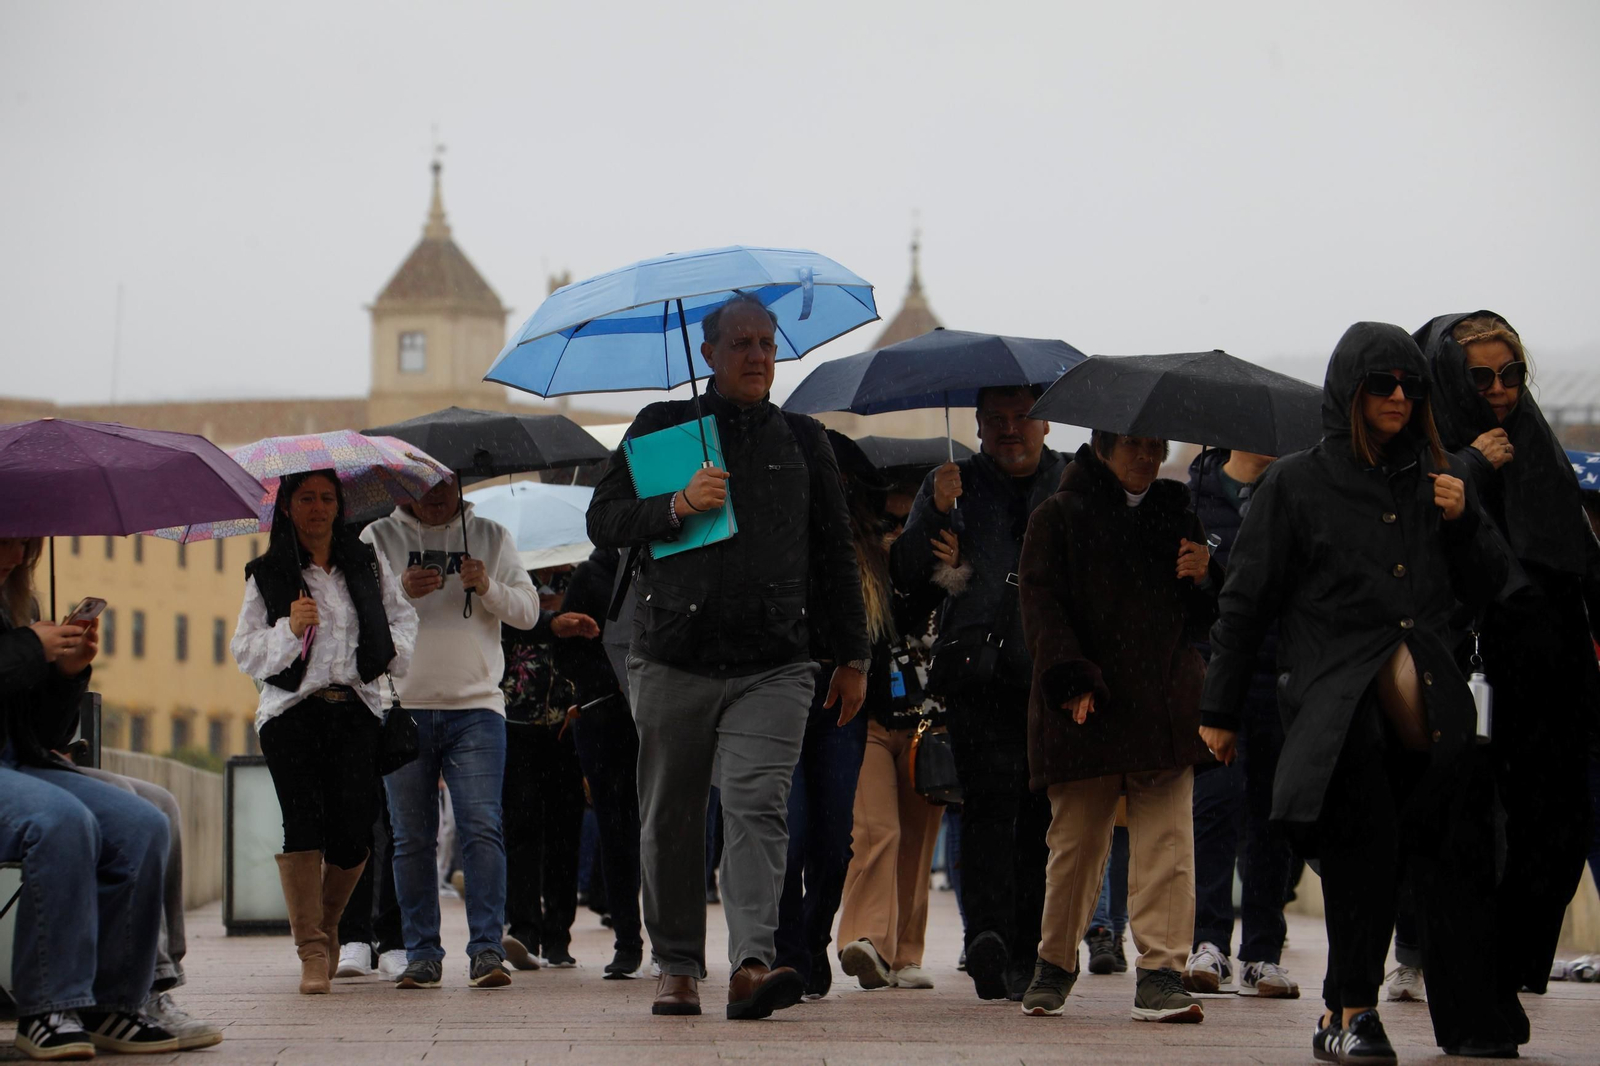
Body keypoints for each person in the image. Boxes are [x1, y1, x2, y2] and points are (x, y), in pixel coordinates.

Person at [1199, 322, 1511, 1062]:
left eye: (1411, 385)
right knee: (1362, 853)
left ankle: (1474, 1019)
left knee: (1458, 849)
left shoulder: (1437, 478)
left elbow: (1496, 588)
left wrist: (1464, 522)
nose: (1399, 397)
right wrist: (1218, 710)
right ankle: (1348, 1013)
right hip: (1336, 712)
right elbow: (1245, 602)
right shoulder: (1297, 483)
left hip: (1430, 710)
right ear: (1350, 390)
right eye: (1382, 384)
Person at [587, 292, 870, 1020]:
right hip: (673, 655)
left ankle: (751, 964)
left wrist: (852, 655)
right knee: (673, 817)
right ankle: (678, 966)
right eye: (741, 344)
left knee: (757, 807)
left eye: (767, 345)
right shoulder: (662, 427)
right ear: (708, 353)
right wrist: (678, 503)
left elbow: (835, 553)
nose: (757, 357)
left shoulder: (805, 439)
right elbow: (605, 519)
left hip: (775, 661)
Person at [1418, 311, 1600, 1045]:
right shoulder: (1428, 451)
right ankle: (1474, 1004)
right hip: (1468, 673)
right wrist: (1467, 465)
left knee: (1555, 835)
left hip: (1547, 675)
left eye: (1511, 374)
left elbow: (1573, 558)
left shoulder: (1537, 445)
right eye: (1481, 378)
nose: (1499, 392)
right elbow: (1429, 558)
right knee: (1469, 846)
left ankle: (1504, 977)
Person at [1016, 433, 1218, 1023]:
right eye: (1134, 445)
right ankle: (1054, 963)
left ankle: (1161, 973)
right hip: (1089, 706)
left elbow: (1207, 614)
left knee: (1169, 845)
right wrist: (1071, 679)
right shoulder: (1057, 516)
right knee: (1075, 843)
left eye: (1157, 446)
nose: (1148, 458)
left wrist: (1207, 575)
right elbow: (1041, 607)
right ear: (1103, 446)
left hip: (1163, 704)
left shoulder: (1179, 513)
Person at [890, 385, 1066, 1001]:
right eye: (997, 421)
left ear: (1044, 424)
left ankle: (1028, 947)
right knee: (989, 809)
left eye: (1022, 419)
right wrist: (936, 517)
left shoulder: (1071, 484)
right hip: (976, 671)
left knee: (1042, 817)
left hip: (1053, 675)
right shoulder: (952, 483)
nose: (1011, 431)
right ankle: (987, 936)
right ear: (979, 426)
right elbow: (907, 582)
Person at [232, 470, 418, 995]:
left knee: (355, 831)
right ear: (287, 507)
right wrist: (288, 630)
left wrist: (389, 654)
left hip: (356, 708)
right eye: (306, 498)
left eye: (327, 498)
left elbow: (402, 619)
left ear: (340, 506)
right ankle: (312, 950)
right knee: (303, 825)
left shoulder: (365, 561)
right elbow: (245, 652)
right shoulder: (267, 573)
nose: (318, 508)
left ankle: (329, 926)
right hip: (291, 712)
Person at [1, 536, 184, 1058]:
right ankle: (46, 1008)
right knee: (60, 820)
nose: (14, 558)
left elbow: (46, 732)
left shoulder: (19, 608)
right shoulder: (23, 630)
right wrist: (26, 650)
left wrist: (67, 672)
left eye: (24, 547)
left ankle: (112, 1004)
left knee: (143, 823)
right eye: (4, 542)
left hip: (22, 765)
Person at [360, 477, 540, 989]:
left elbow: (527, 613)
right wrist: (399, 588)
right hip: (403, 706)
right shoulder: (377, 537)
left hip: (477, 707)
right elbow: (351, 616)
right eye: (424, 483)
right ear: (404, 488)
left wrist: (487, 586)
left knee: (482, 828)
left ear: (461, 482)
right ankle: (422, 953)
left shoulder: (492, 535)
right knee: (410, 838)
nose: (436, 492)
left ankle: (486, 949)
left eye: (445, 482)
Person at [1182, 448, 1301, 999]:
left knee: (1272, 818)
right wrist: (1205, 578)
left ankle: (1263, 950)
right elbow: (1188, 599)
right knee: (1215, 806)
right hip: (1215, 676)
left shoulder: (1296, 498)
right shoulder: (1195, 504)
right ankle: (1207, 938)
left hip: (1281, 675)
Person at [773, 433, 886, 998]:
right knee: (785, 834)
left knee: (834, 839)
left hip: (840, 691)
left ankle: (812, 938)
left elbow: (879, 618)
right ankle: (789, 953)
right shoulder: (774, 527)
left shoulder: (858, 547)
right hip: (775, 689)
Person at [834, 475, 950, 992]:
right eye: (888, 523)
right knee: (878, 832)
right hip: (874, 724)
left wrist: (948, 569)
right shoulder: (858, 580)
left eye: (910, 523)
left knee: (918, 844)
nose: (898, 533)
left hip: (931, 725)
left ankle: (905, 954)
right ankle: (866, 941)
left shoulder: (948, 570)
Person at [499, 564, 600, 971]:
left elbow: (598, 637)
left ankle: (559, 934)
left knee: (565, 829)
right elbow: (494, 631)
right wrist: (540, 618)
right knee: (519, 827)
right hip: (514, 721)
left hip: (568, 725)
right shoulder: (510, 581)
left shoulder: (582, 579)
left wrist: (566, 611)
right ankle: (523, 927)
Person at [565, 546, 647, 979]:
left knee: (670, 828)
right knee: (616, 831)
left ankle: (677, 944)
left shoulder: (671, 560)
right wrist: (605, 677)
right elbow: (567, 655)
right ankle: (627, 941)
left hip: (663, 711)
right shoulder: (590, 575)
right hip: (604, 717)